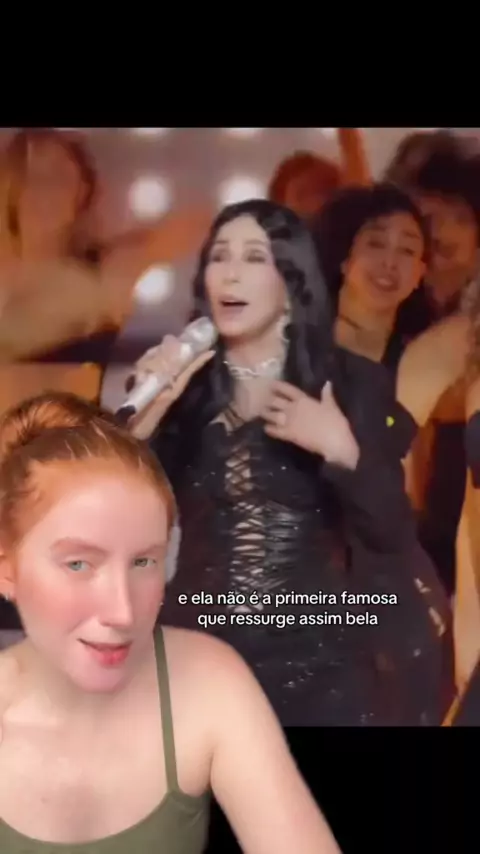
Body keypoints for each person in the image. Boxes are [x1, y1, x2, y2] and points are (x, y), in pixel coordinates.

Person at [127, 199, 452, 727]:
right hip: (200, 659)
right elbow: (119, 522)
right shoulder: (184, 392)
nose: (231, 273)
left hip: (318, 665)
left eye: (254, 257)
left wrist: (342, 450)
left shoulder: (349, 383)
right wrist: (145, 421)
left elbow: (392, 531)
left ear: (291, 281)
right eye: (219, 256)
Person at [0, 391, 341, 853]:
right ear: (7, 568)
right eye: (78, 564)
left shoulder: (207, 683)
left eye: (144, 562)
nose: (123, 612)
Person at [311, 182, 430, 373]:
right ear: (344, 255)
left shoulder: (424, 358)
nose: (390, 262)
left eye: (407, 250)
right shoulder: (299, 342)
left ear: (420, 273)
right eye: (376, 244)